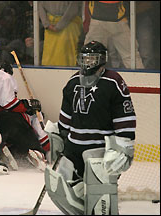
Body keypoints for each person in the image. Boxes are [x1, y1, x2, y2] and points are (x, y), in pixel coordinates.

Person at [44, 41, 136, 214]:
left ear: (102, 60)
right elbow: (65, 118)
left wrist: (123, 146)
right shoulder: (72, 82)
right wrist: (58, 136)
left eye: (92, 59)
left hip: (99, 148)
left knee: (100, 198)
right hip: (73, 147)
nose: (88, 63)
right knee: (65, 191)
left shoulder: (113, 81)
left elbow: (125, 117)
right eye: (85, 59)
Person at [84, 1, 144, 69]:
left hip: (99, 19)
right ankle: (139, 77)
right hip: (117, 19)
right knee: (130, 57)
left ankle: (88, 77)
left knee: (91, 56)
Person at [38, 1, 83, 66]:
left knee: (67, 58)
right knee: (51, 60)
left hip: (67, 27)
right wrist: (47, 24)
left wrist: (48, 24)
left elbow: (73, 8)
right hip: (52, 28)